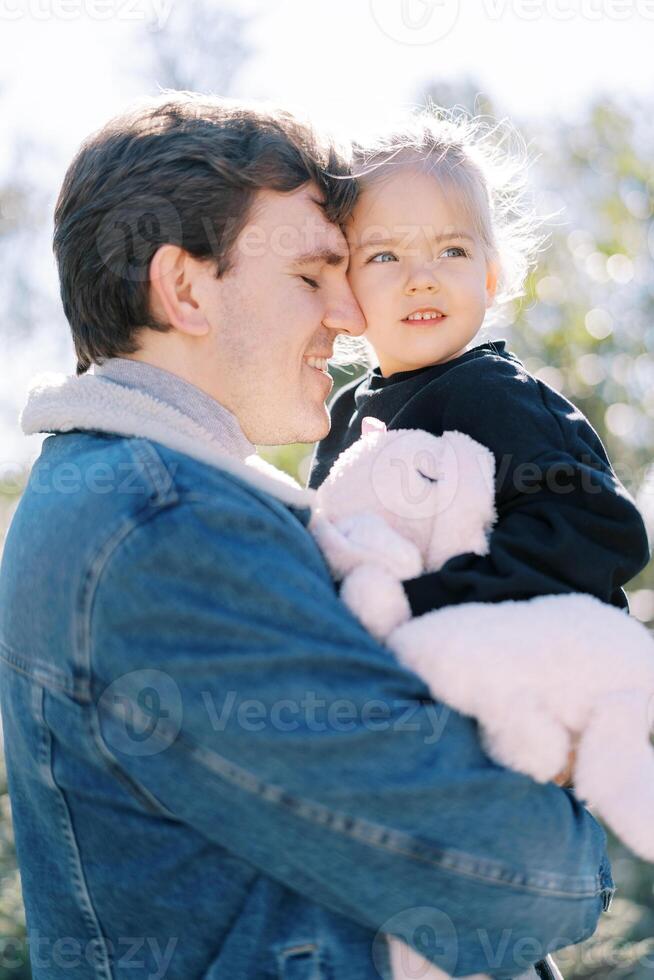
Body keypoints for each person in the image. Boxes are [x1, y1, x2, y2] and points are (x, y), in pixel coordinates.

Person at [0, 94, 614, 980]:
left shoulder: (152, 497)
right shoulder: (166, 531)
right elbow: (524, 880)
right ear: (184, 288)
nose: (348, 313)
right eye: (309, 276)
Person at [309, 110, 649, 620]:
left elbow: (597, 529)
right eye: (384, 256)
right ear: (344, 284)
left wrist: (425, 603)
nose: (422, 279)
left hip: (541, 673)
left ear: (488, 280)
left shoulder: (493, 394)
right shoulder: (340, 419)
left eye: (451, 250)